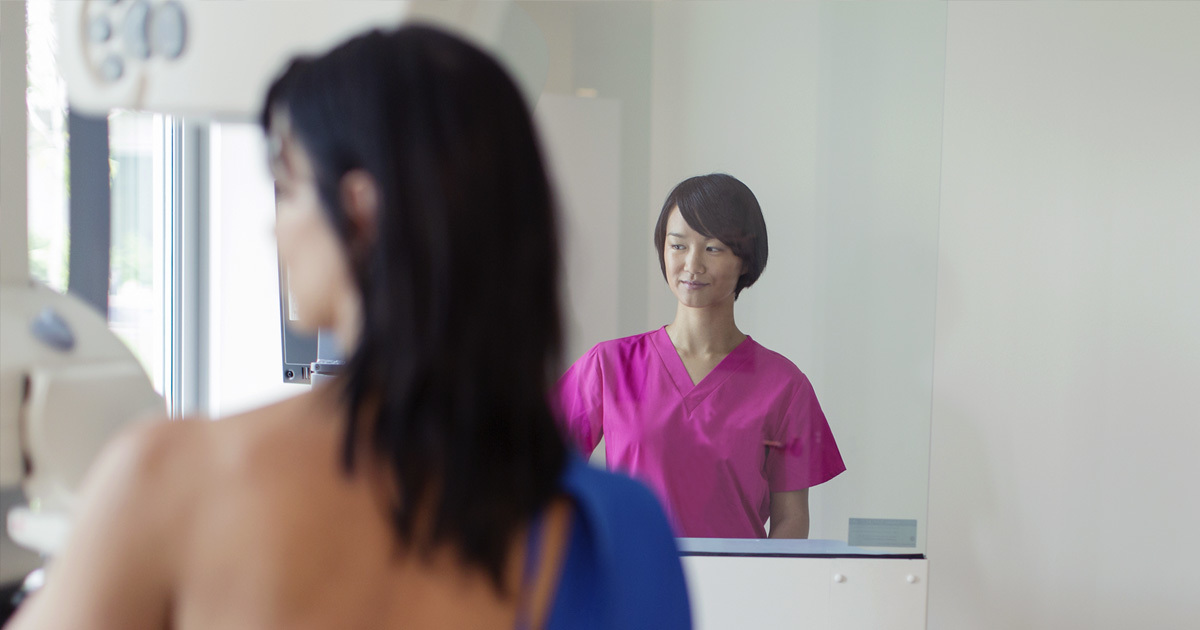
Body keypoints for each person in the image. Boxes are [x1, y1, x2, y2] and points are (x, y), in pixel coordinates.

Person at [5, 25, 689, 630]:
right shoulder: (623, 534)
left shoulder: (170, 480)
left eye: (288, 188)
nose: (273, 227)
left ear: (359, 212)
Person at [554, 174, 846, 539]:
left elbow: (791, 519)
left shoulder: (785, 387)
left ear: (745, 259)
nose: (692, 264)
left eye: (713, 248)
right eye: (678, 246)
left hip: (738, 589)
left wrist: (763, 593)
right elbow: (542, 473)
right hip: (632, 587)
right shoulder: (610, 366)